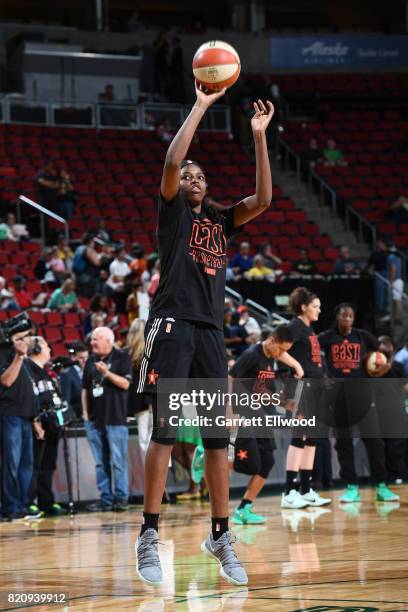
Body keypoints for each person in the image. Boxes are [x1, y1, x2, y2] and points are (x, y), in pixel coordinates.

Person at [135, 82, 275, 587]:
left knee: (218, 440)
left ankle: (221, 534)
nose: (192, 177)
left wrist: (258, 135)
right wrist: (201, 104)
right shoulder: (173, 214)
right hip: (172, 325)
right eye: (187, 174)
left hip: (212, 334)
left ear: (208, 186)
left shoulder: (219, 219)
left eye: (200, 175)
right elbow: (172, 161)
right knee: (166, 432)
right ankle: (149, 533)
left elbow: (263, 198)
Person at [318, 303, 399, 503]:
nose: (347, 319)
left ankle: (381, 485)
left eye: (351, 316)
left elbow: (386, 349)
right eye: (343, 315)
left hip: (362, 394)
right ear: (337, 317)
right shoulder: (326, 337)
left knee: (374, 441)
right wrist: (321, 375)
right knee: (343, 443)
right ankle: (351, 486)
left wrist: (385, 366)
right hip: (337, 396)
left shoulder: (363, 336)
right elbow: (311, 357)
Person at [227, 325, 302, 524]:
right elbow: (230, 377)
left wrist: (283, 402)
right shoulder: (252, 354)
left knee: (267, 463)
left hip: (261, 416)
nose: (283, 354)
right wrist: (229, 411)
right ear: (272, 341)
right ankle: (208, 459)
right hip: (244, 414)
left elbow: (263, 392)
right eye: (282, 349)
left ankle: (244, 509)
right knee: (251, 464)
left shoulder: (270, 359)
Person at [280, 287, 331, 509]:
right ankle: (289, 491)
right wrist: (296, 365)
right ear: (303, 307)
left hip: (316, 387)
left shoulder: (309, 330)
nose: (319, 311)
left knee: (311, 439)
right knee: (298, 437)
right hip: (301, 387)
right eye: (315, 307)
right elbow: (275, 348)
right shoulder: (294, 327)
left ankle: (305, 489)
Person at [82, 327, 132, 512]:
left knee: (118, 461)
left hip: (116, 419)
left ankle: (121, 498)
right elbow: (85, 390)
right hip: (94, 421)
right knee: (100, 462)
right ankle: (105, 499)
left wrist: (106, 373)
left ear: (109, 341)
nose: (92, 342)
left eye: (96, 339)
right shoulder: (90, 361)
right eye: (92, 339)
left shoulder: (121, 358)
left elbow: (126, 384)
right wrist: (85, 415)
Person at [0, 322, 39, 520]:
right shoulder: (5, 354)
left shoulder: (26, 361)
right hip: (10, 416)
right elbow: (6, 380)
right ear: (14, 339)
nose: (28, 340)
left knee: (26, 466)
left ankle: (23, 505)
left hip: (25, 417)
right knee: (12, 465)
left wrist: (35, 420)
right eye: (24, 336)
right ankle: (10, 507)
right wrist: (19, 356)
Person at [26, 337, 66, 517]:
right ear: (35, 349)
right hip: (39, 424)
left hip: (52, 425)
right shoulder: (28, 369)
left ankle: (46, 502)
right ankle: (30, 502)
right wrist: (35, 421)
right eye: (45, 345)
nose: (49, 348)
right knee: (35, 465)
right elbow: (31, 398)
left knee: (48, 465)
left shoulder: (45, 372)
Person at [374, 336, 408, 484]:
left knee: (395, 444)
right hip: (383, 410)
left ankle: (394, 474)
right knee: (387, 445)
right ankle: (390, 475)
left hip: (396, 410)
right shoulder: (372, 369)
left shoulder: (398, 367)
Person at [126, 320, 152, 461]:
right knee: (158, 439)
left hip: (138, 402)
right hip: (154, 398)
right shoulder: (153, 350)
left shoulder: (126, 354)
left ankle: (150, 478)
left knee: (144, 440)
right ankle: (161, 479)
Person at [59, 342, 89, 419]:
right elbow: (66, 400)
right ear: (73, 357)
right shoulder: (66, 374)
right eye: (81, 358)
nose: (85, 360)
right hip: (78, 416)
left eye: (86, 357)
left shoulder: (91, 371)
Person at [73, 233, 102, 298]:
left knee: (82, 298)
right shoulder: (89, 250)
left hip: (78, 277)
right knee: (90, 298)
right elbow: (97, 263)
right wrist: (100, 257)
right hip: (88, 278)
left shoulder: (78, 248)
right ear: (91, 241)